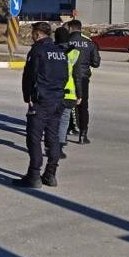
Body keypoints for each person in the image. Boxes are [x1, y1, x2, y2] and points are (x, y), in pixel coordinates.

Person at [14, 22, 69, 189]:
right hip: (58, 100)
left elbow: (29, 75)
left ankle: (34, 175)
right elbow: (65, 76)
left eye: (33, 33)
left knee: (34, 138)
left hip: (41, 101)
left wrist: (27, 96)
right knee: (53, 138)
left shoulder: (37, 50)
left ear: (37, 34)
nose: (32, 36)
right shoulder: (60, 52)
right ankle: (51, 174)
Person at [66, 19, 100, 144]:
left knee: (67, 104)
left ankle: (68, 129)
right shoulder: (89, 43)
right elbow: (96, 63)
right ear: (80, 29)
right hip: (83, 78)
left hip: (67, 78)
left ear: (70, 29)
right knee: (83, 107)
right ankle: (83, 135)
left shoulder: (66, 42)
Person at [53, 26, 80, 160]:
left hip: (52, 92)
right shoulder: (74, 53)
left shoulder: (51, 51)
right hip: (69, 92)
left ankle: (51, 144)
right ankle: (59, 146)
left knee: (53, 120)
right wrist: (79, 94)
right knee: (64, 120)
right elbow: (77, 75)